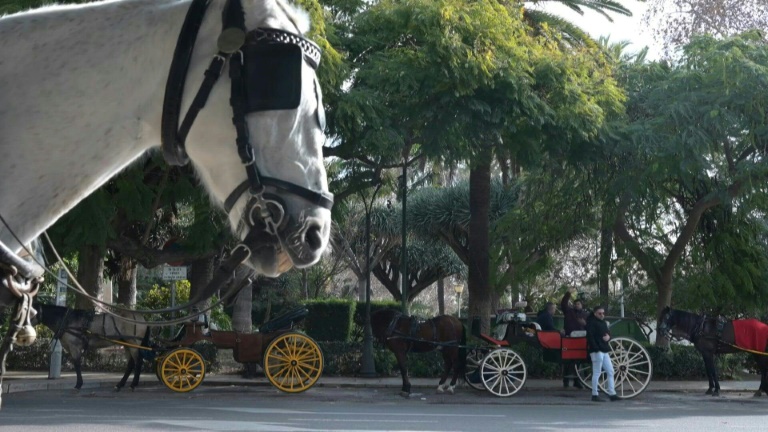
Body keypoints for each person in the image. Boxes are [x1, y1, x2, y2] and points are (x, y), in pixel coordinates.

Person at [586, 306, 620, 402]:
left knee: (610, 371)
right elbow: (590, 336)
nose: (602, 315)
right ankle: (595, 394)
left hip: (604, 349)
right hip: (597, 350)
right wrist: (595, 348)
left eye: (603, 313)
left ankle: (612, 393)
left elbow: (608, 333)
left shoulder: (603, 323)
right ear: (595, 313)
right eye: (599, 313)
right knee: (597, 372)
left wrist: (609, 337)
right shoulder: (591, 323)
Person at [560, 287, 587, 388]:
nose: (576, 305)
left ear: (581, 305)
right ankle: (566, 381)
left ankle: (577, 381)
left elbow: (590, 325)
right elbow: (563, 304)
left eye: (578, 304)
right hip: (570, 338)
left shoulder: (586, 315)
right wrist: (568, 294)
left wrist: (585, 323)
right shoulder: (569, 312)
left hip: (581, 339)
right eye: (575, 304)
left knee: (578, 362)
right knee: (568, 361)